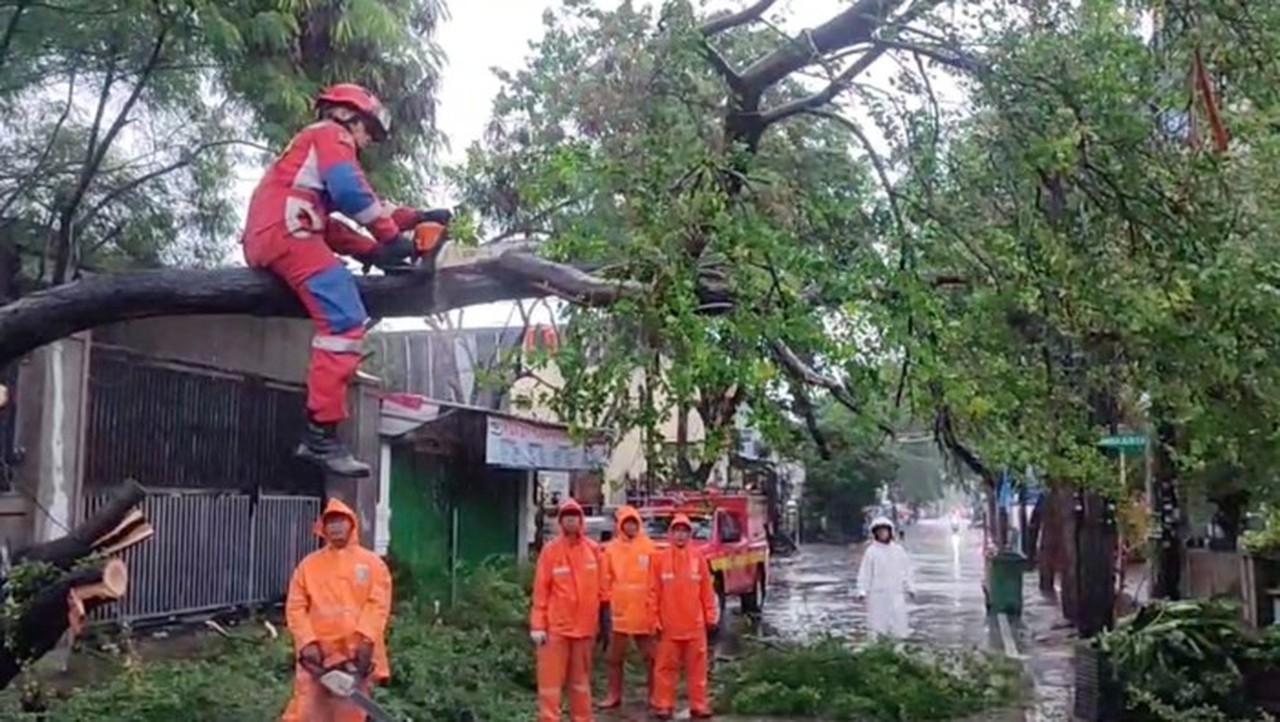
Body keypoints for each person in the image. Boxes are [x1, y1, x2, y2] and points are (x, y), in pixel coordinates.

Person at [241, 82, 453, 478]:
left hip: (279, 231)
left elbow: (349, 207)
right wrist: (391, 239)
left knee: (341, 240)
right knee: (344, 319)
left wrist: (414, 218)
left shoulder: (309, 150)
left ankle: (321, 432)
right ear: (349, 116)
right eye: (368, 130)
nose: (368, 140)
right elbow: (353, 194)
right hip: (289, 234)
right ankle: (320, 433)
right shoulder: (330, 134)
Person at [282, 498, 393, 722]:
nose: (335, 526)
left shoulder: (373, 564)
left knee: (350, 713)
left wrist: (366, 640)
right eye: (330, 522)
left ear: (351, 524)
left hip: (356, 657)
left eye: (340, 521)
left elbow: (378, 604)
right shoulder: (308, 565)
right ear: (322, 528)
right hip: (318, 658)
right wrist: (307, 643)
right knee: (307, 712)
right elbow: (296, 607)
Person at [530, 498, 605, 722]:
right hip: (556, 630)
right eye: (567, 516)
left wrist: (604, 622)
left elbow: (604, 590)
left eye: (575, 516)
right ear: (561, 521)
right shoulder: (551, 552)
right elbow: (541, 590)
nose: (571, 520)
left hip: (584, 630)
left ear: (580, 519)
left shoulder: (593, 550)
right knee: (550, 683)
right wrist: (538, 625)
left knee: (580, 682)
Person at [648, 514, 718, 720]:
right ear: (671, 534)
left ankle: (699, 704)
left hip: (694, 626)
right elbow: (652, 593)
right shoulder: (659, 559)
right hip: (668, 627)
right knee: (665, 669)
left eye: (684, 531)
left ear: (689, 534)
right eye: (676, 531)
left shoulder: (699, 559)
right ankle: (663, 705)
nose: (680, 535)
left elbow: (707, 591)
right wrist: (654, 620)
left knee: (697, 669)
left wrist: (710, 616)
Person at [598, 505, 657, 709]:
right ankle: (614, 695)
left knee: (651, 657)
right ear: (620, 526)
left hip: (644, 611)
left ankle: (655, 695)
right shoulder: (611, 549)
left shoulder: (650, 548)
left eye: (633, 523)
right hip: (619, 612)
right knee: (614, 657)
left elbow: (656, 579)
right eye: (626, 523)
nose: (630, 527)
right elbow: (605, 578)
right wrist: (606, 601)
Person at [855, 516, 916, 640]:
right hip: (877, 595)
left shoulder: (898, 551)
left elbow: (906, 571)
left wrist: (911, 587)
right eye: (879, 531)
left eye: (885, 531)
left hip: (896, 593)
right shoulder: (871, 552)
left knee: (899, 624)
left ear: (890, 532)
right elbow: (865, 573)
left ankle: (899, 650)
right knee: (877, 625)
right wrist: (862, 590)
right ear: (875, 533)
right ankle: (877, 650)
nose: (882, 534)